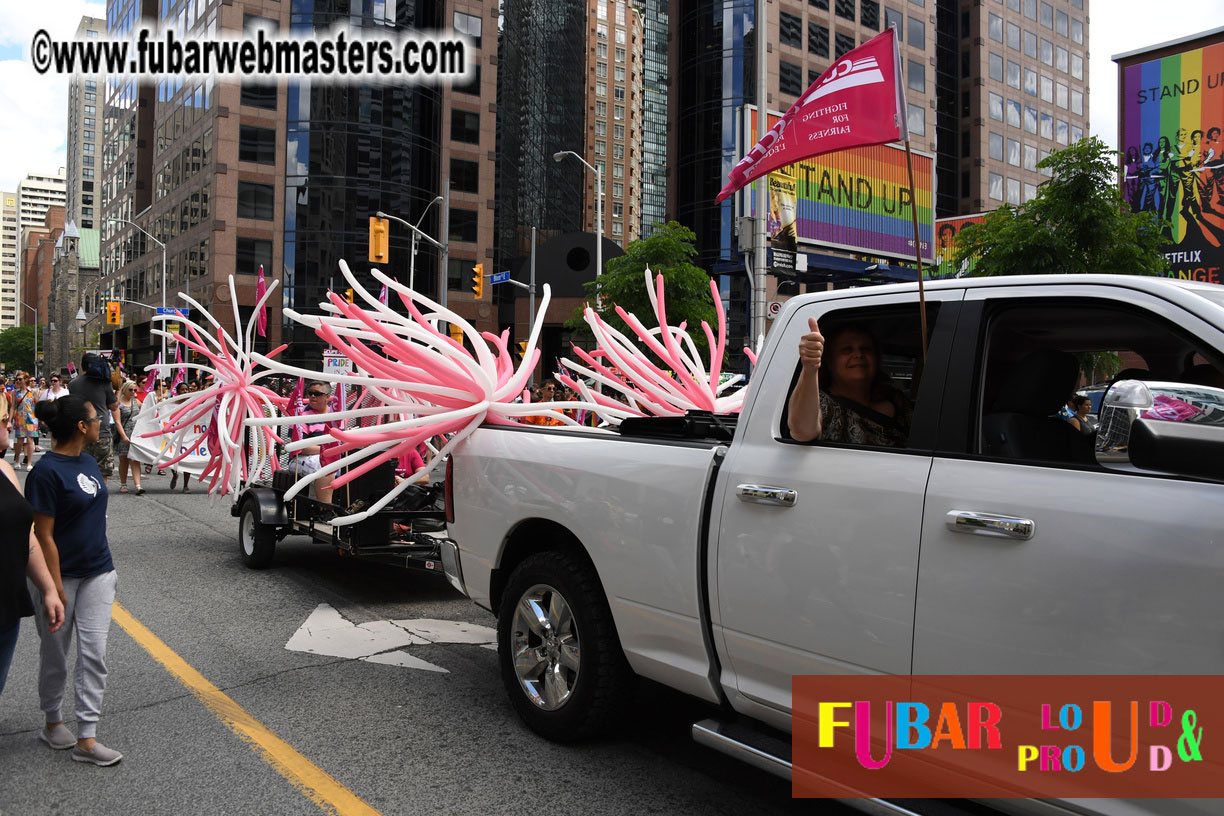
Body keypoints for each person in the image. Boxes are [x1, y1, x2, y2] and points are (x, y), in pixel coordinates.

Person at [25, 395, 122, 766]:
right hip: (58, 578)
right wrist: (54, 587)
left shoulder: (88, 461)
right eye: (97, 419)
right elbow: (43, 535)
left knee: (94, 654)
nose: (102, 423)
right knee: (56, 656)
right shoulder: (45, 473)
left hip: (98, 572)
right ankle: (52, 722)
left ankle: (87, 737)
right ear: (81, 426)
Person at [0, 417, 65, 697]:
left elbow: (26, 536)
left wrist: (48, 589)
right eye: (1, 417)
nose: (6, 422)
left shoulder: (3, 469)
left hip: (6, 608)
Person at [787, 319, 912, 446]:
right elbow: (802, 432)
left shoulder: (897, 400)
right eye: (847, 350)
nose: (858, 354)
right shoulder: (823, 403)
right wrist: (810, 367)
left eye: (866, 349)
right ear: (830, 362)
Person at [67, 354, 129, 484]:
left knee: (82, 470)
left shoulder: (73, 384)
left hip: (81, 431)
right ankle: (100, 499)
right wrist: (118, 389)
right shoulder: (103, 382)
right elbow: (113, 406)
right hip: (101, 431)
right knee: (102, 472)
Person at [290, 381, 339, 505]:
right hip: (299, 459)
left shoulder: (337, 416)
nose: (312, 396)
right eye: (310, 393)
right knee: (325, 466)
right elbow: (302, 448)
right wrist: (329, 449)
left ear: (328, 397)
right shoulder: (301, 416)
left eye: (317, 394)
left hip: (331, 457)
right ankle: (325, 510)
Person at [114, 382, 145, 495]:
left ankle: (138, 485)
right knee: (124, 460)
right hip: (124, 434)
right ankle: (123, 484)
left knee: (135, 459)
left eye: (135, 390)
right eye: (130, 390)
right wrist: (124, 436)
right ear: (124, 390)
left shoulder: (137, 402)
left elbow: (146, 412)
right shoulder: (119, 404)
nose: (133, 392)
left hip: (135, 433)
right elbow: (117, 422)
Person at [9, 372, 40, 471]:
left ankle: (29, 462)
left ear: (25, 380)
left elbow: (37, 404)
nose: (18, 381)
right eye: (17, 379)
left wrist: (40, 417)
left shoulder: (33, 391)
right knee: (20, 441)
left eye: (20, 379)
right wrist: (10, 420)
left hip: (31, 418)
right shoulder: (15, 392)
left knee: (30, 439)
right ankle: (17, 458)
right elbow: (13, 407)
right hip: (19, 418)